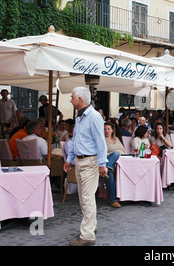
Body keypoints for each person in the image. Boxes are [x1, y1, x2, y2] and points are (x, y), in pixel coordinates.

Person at [64, 87, 108, 246]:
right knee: (84, 198)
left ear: (80, 99)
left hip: (90, 162)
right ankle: (92, 226)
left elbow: (101, 142)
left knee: (87, 198)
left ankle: (87, 235)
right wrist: (69, 159)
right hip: (80, 161)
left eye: (72, 97)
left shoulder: (94, 117)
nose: (70, 100)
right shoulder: (79, 118)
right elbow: (75, 140)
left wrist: (102, 164)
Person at [104, 121, 125, 208]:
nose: (106, 131)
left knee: (109, 171)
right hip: (106, 160)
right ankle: (113, 200)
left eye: (108, 129)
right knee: (115, 154)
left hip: (120, 162)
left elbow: (123, 151)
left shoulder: (116, 139)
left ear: (112, 130)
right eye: (104, 129)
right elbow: (102, 154)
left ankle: (108, 168)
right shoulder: (102, 140)